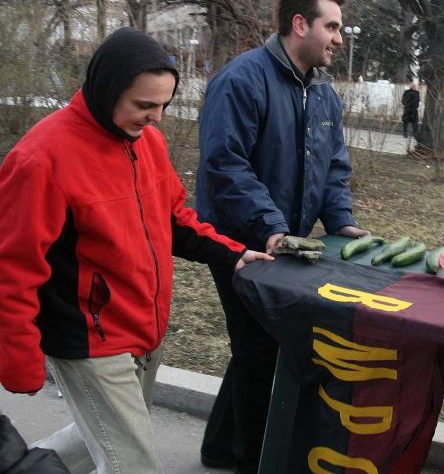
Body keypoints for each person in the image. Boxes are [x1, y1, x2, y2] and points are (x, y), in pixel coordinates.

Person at [0, 27, 272, 474]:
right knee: (134, 461)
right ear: (106, 90)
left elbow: (174, 219)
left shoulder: (147, 142)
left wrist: (233, 253)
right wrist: (20, 356)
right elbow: (13, 268)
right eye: (144, 105)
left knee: (102, 437)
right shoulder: (41, 159)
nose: (157, 118)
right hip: (89, 339)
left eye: (163, 105)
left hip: (145, 329)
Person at [195, 0, 369, 471]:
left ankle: (218, 446)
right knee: (257, 350)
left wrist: (341, 221)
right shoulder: (241, 80)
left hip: (284, 242)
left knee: (259, 345)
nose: (339, 38)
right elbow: (225, 167)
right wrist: (270, 225)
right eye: (331, 26)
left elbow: (333, 165)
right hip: (237, 240)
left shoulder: (322, 92)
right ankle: (250, 460)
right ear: (300, 24)